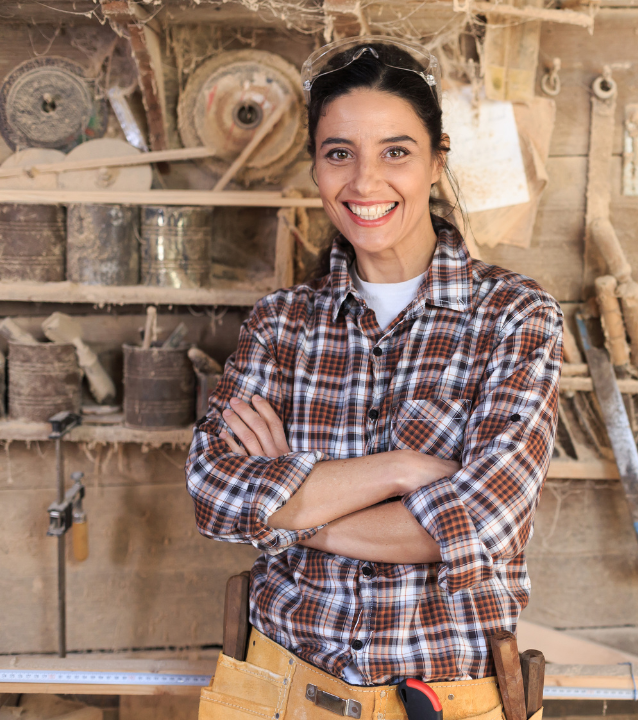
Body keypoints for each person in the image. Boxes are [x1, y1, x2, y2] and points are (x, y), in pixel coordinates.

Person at [185, 36, 562, 720]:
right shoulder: (280, 325)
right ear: (316, 167)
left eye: (396, 152)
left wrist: (293, 508)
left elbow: (482, 524)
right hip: (280, 694)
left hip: (445, 702)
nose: (364, 183)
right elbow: (213, 494)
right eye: (339, 154)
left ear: (436, 159)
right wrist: (401, 470)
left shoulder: (515, 317)